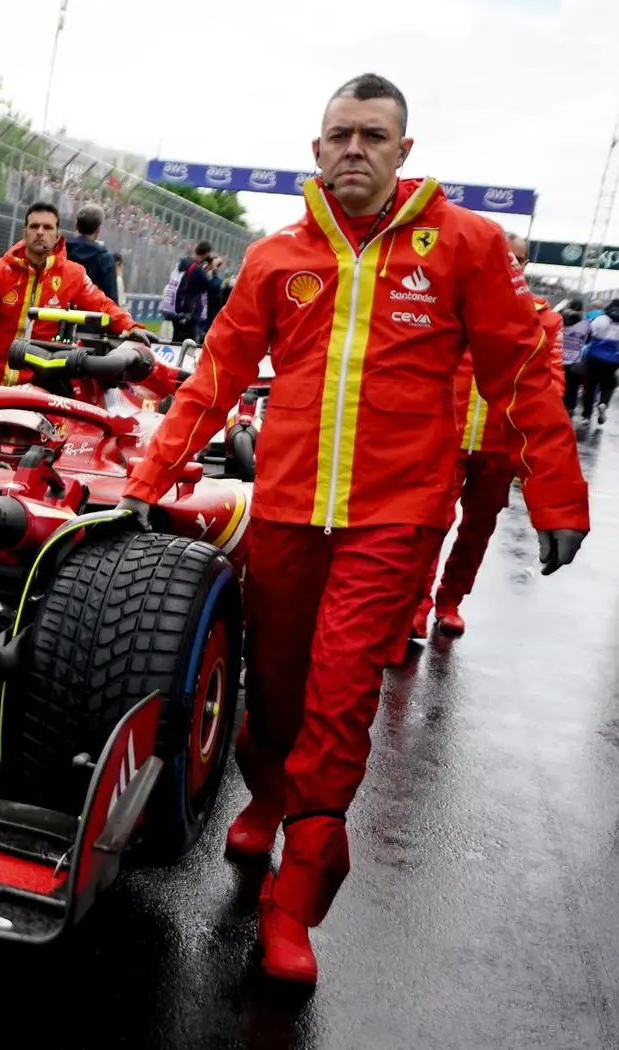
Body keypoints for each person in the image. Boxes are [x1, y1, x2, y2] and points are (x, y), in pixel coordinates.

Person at [115, 73, 587, 986]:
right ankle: (274, 796)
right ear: (316, 147)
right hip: (287, 512)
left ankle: (295, 898)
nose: (354, 150)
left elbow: (521, 374)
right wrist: (150, 472)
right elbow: (215, 375)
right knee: (276, 698)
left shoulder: (465, 246)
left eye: (373, 135)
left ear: (403, 151)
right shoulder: (272, 257)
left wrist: (557, 497)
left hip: (394, 523)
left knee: (339, 701)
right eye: (339, 134)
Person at [409, 233, 566, 638]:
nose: (511, 264)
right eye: (504, 257)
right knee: (429, 524)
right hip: (447, 438)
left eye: (518, 259)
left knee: (477, 529)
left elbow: (552, 386)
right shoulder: (455, 303)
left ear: (526, 266)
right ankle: (418, 604)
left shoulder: (544, 319)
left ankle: (450, 601)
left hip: (499, 445)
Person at [0, 201, 147, 385]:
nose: (40, 232)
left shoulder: (73, 274)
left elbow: (102, 304)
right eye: (34, 226)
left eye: (47, 227)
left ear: (57, 236)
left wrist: (130, 326)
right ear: (24, 233)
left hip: (39, 385)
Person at [65, 203, 119, 309]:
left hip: (56, 316)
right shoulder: (105, 259)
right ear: (98, 229)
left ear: (76, 225)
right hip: (90, 319)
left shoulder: (60, 250)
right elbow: (111, 299)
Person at [578, 299, 619, 424]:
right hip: (614, 359)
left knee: (590, 385)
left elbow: (588, 335)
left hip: (595, 356)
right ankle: (603, 403)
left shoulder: (601, 319)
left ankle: (586, 415)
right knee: (608, 385)